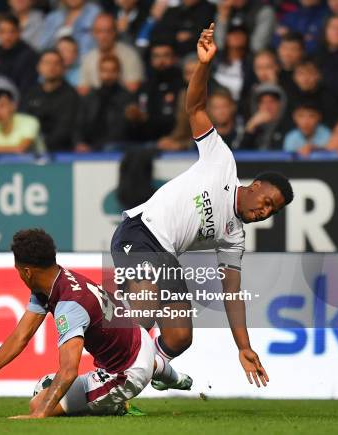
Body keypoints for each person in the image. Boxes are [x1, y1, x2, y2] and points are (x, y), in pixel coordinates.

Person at [111, 23, 293, 391]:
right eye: (268, 202)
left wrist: (244, 347)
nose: (266, 211)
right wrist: (204, 65)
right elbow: (194, 106)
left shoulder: (234, 237)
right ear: (255, 186)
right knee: (143, 311)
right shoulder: (221, 162)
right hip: (140, 233)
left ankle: (154, 367)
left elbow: (232, 293)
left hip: (166, 255)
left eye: (273, 212)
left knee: (179, 338)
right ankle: (107, 376)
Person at [0, 229, 182, 417]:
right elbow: (21, 335)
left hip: (125, 373)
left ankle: (117, 405)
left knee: (39, 400)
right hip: (139, 338)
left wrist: (39, 415)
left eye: (18, 270)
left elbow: (69, 371)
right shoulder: (53, 282)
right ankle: (166, 370)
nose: (18, 275)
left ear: (28, 272)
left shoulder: (69, 306)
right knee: (46, 386)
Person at [20, 50, 79, 152]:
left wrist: (42, 146)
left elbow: (65, 129)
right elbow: (22, 120)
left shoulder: (71, 96)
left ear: (63, 68)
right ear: (39, 67)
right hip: (30, 149)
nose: (51, 67)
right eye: (47, 63)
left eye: (56, 63)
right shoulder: (30, 93)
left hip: (60, 152)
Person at [126, 40, 183, 142]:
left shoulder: (182, 87)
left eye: (166, 56)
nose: (161, 61)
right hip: (144, 142)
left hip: (176, 143)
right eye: (156, 56)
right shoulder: (144, 87)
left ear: (174, 59)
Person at [75, 55, 134, 151]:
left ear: (119, 73)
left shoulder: (127, 98)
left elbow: (126, 131)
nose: (108, 75)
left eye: (113, 71)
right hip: (90, 148)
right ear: (99, 72)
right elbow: (79, 125)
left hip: (117, 148)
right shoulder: (90, 97)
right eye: (104, 70)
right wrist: (79, 143)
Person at [78, 13, 143, 95]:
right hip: (95, 105)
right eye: (99, 31)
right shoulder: (88, 59)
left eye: (108, 31)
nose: (103, 36)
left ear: (115, 32)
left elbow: (133, 88)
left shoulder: (130, 56)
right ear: (93, 33)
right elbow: (83, 91)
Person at [315, 15, 338, 114]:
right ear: (325, 31)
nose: (337, 32)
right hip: (312, 110)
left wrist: (318, 78)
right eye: (333, 28)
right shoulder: (318, 54)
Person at [0, 15, 39, 96]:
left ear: (19, 32)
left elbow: (27, 88)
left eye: (12, 32)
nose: (7, 37)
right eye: (2, 32)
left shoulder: (29, 55)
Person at [152, 0, 216, 56]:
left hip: (196, 52)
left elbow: (209, 34)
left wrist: (191, 35)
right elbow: (158, 33)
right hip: (172, 53)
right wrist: (176, 36)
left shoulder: (209, 10)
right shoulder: (172, 11)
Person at [239, 83, 288, 150]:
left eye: (271, 101)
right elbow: (239, 155)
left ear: (280, 104)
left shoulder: (288, 127)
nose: (267, 106)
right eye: (263, 102)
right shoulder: (251, 126)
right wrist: (250, 128)